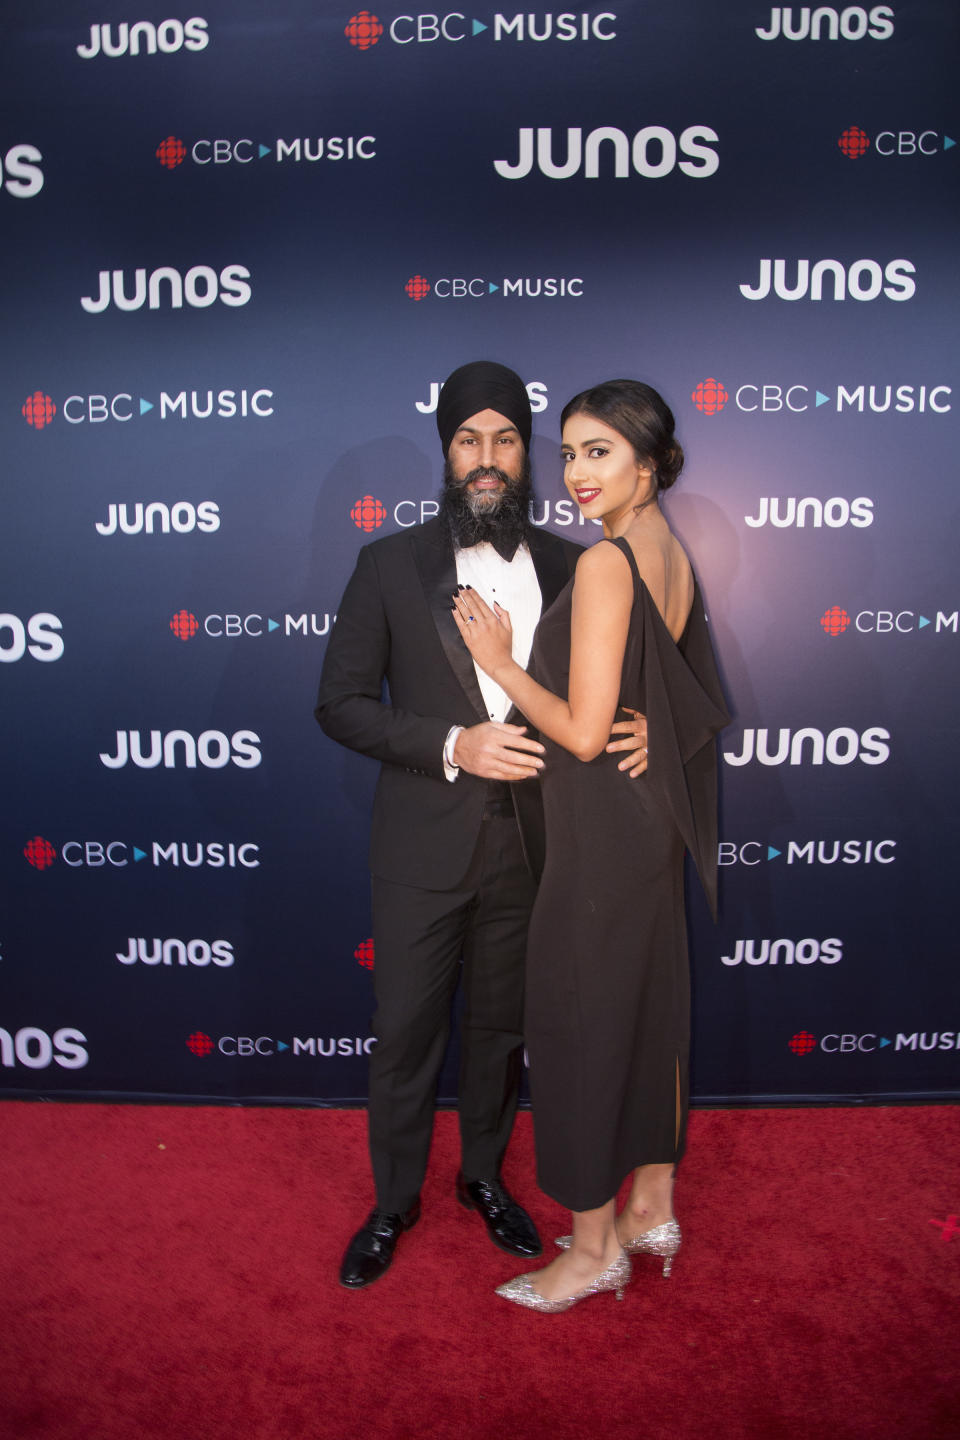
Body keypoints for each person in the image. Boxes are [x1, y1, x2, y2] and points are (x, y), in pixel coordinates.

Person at [315, 361, 650, 1289]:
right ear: (447, 451)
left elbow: (611, 686)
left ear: (525, 453)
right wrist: (455, 742)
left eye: (505, 439)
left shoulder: (572, 563)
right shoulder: (387, 564)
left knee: (502, 1032)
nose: (488, 459)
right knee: (408, 1027)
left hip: (539, 847)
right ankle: (392, 1201)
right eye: (470, 440)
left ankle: (481, 1179)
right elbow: (340, 704)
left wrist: (648, 720)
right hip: (423, 847)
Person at [451, 379, 729, 1312]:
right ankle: (653, 1201)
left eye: (599, 452)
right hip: (642, 825)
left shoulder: (609, 564)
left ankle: (593, 1247)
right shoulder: (665, 549)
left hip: (601, 839)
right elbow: (688, 694)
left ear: (647, 462)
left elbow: (576, 732)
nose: (576, 473)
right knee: (646, 1012)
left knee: (577, 1026)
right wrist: (655, 731)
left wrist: (497, 664)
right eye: (567, 452)